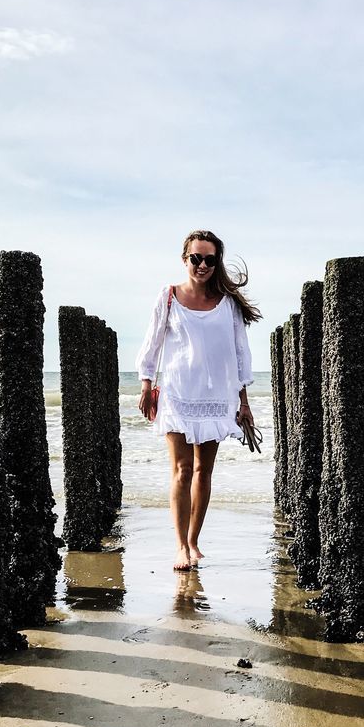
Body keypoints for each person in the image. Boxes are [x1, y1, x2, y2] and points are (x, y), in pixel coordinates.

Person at [137, 229, 261, 571]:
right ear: (185, 259)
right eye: (196, 258)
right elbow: (152, 343)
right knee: (181, 470)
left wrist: (244, 401)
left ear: (216, 261)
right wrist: (147, 385)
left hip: (216, 398)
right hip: (177, 394)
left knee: (204, 471)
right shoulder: (169, 296)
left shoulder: (229, 304)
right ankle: (179, 546)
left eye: (209, 259)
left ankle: (193, 542)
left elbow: (240, 353)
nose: (203, 265)